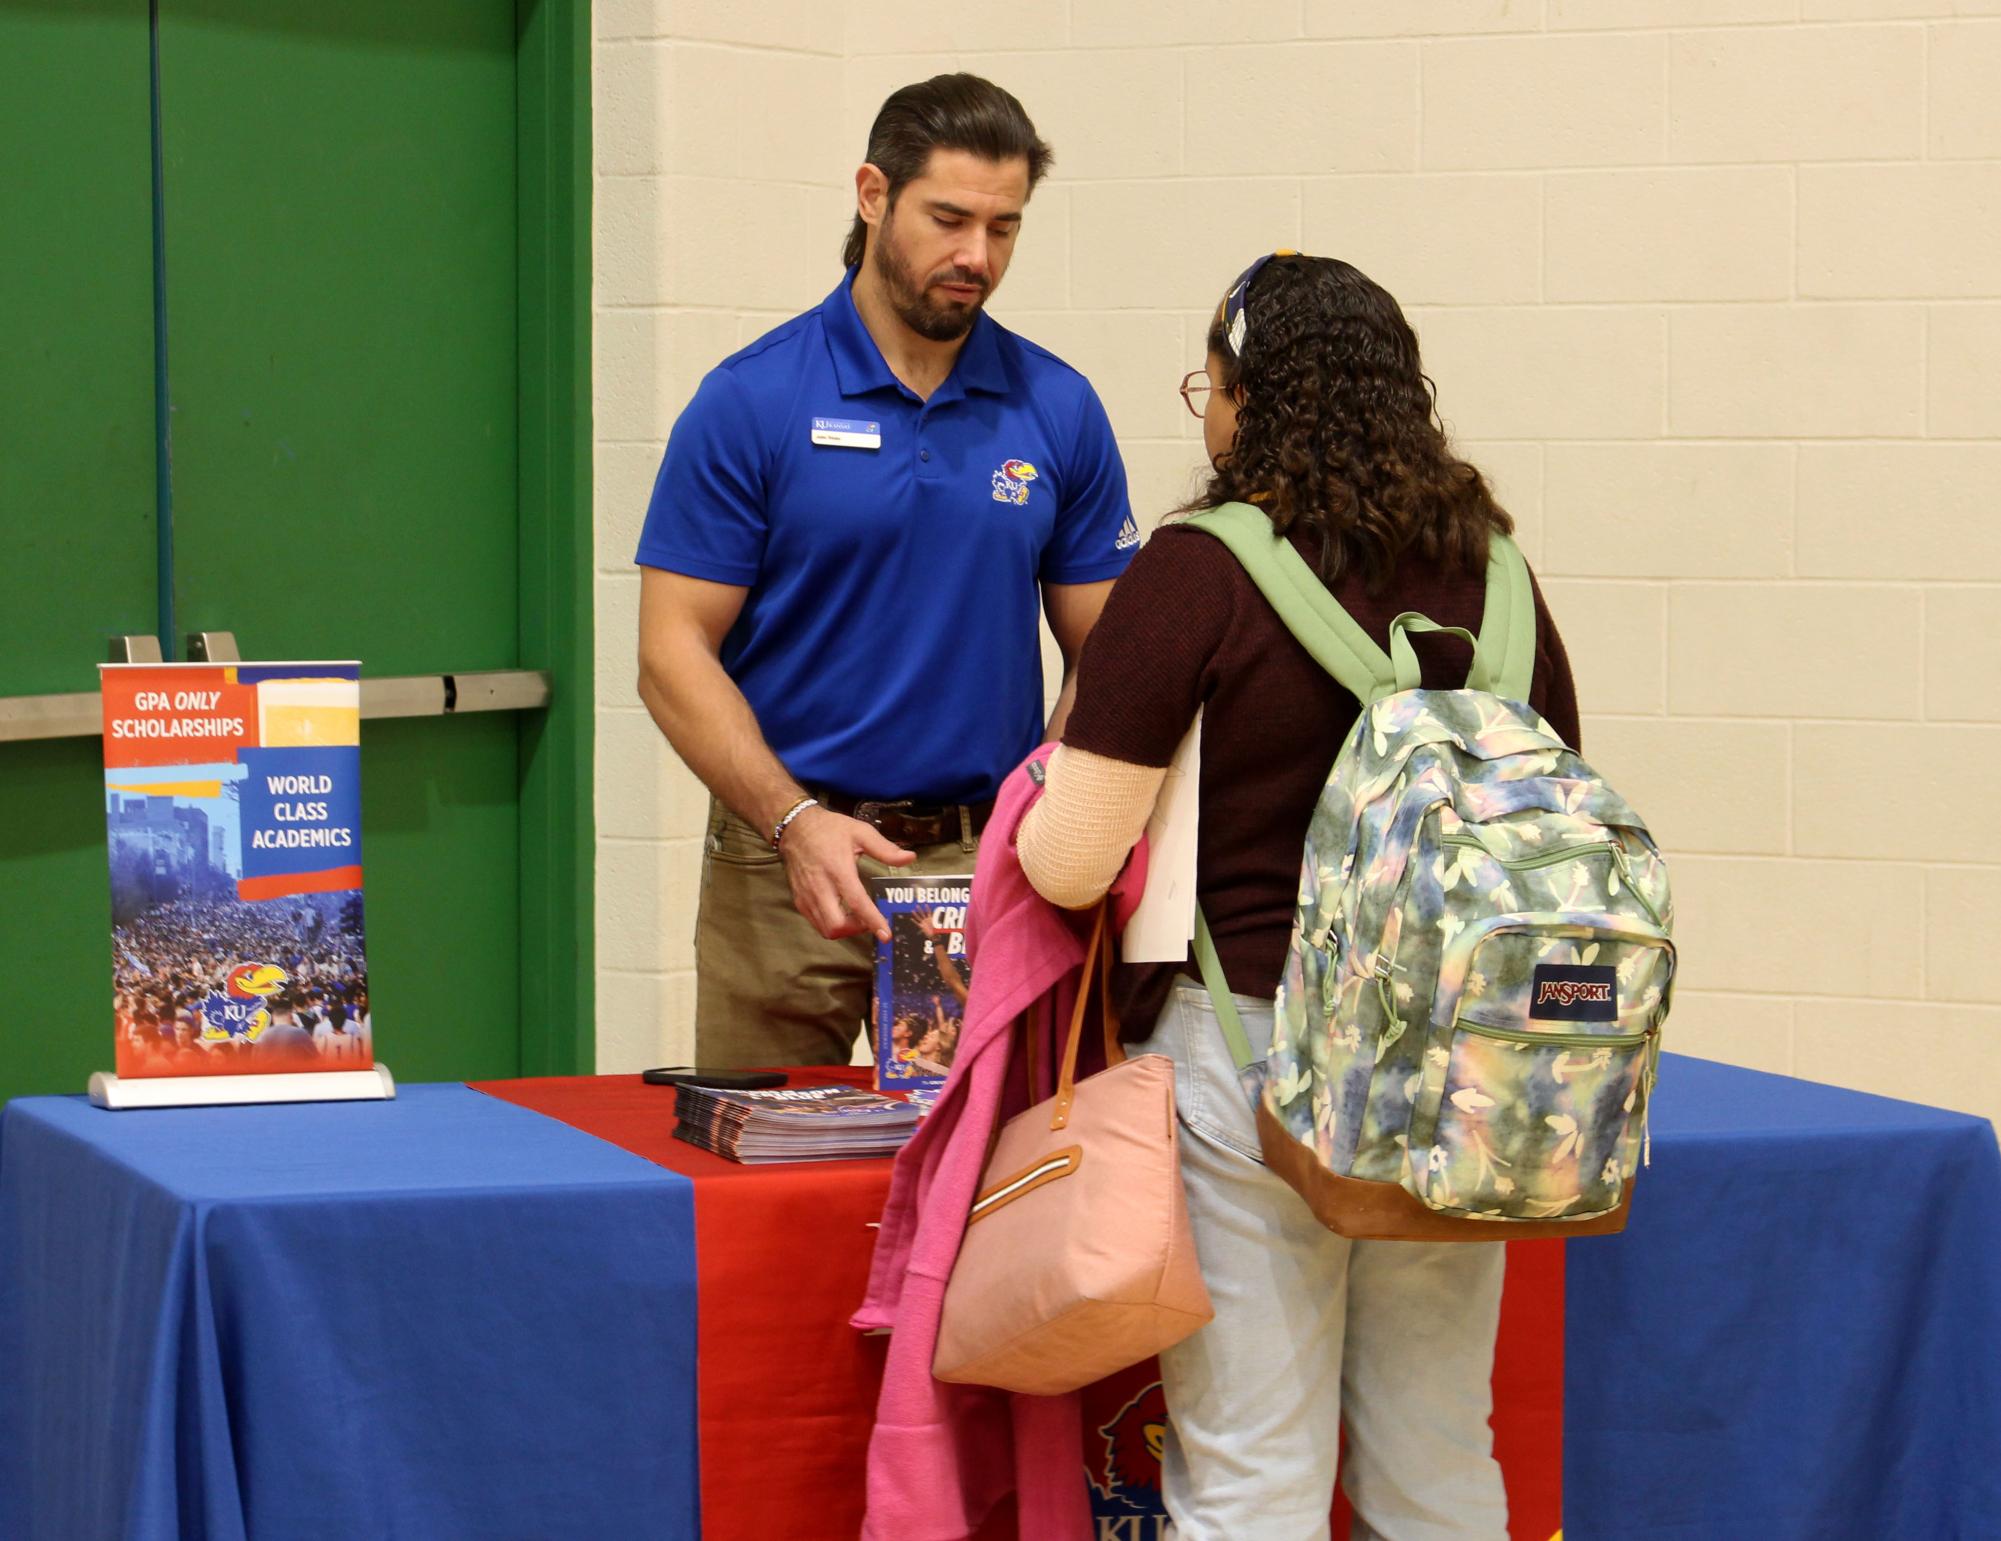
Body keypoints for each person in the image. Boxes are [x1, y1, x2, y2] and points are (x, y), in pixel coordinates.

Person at [1017, 254, 1583, 1541]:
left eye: (1206, 387)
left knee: (1251, 1469)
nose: (1200, 415)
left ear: (1249, 400)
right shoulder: (1495, 575)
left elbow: (1069, 861)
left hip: (1253, 1045)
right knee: (1438, 1455)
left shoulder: (1198, 570)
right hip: (1459, 1063)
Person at [635, 73, 1136, 1069]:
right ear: (873, 195)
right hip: (781, 855)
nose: (976, 257)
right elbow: (669, 652)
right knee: (765, 1171)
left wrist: (1040, 817)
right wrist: (791, 819)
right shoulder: (752, 400)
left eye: (1004, 228)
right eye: (948, 219)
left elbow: (1109, 653)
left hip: (976, 859)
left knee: (978, 1188)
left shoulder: (1058, 406)